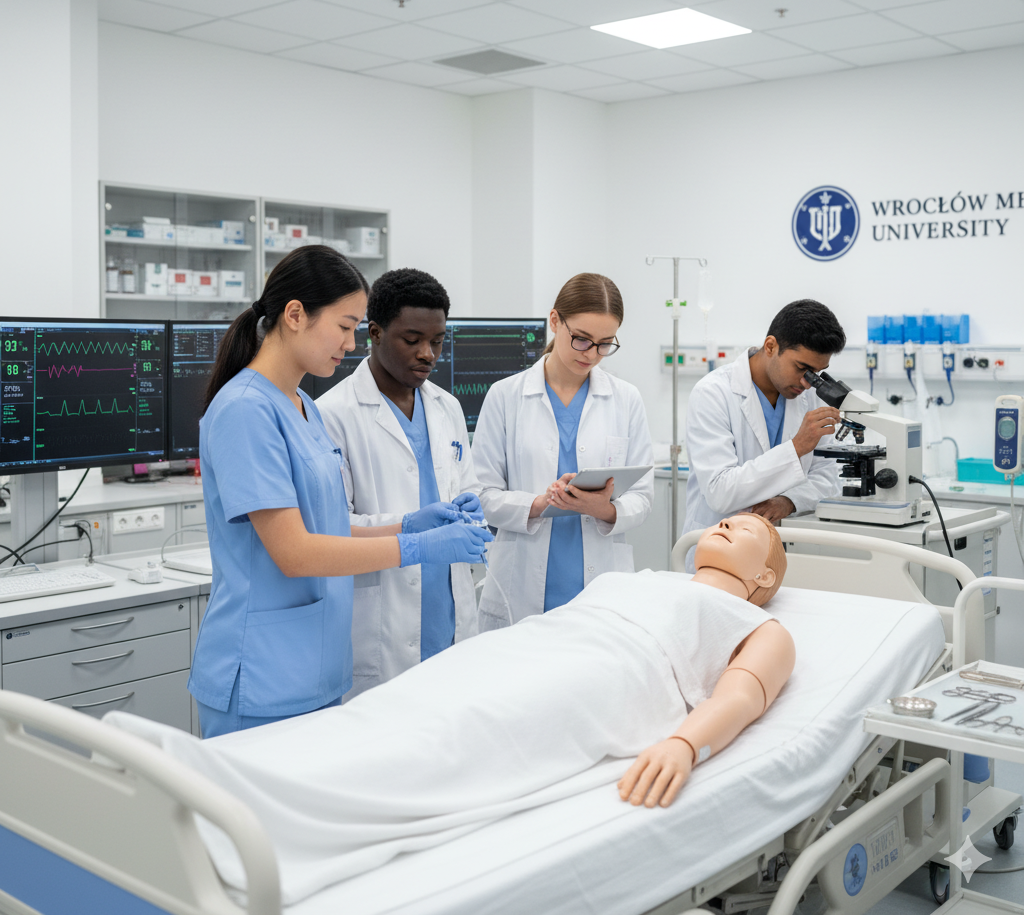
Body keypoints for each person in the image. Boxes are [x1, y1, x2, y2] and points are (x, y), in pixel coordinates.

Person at [114, 513, 793, 902]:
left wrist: (685, 743)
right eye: (730, 516)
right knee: (402, 708)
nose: (731, 520)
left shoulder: (758, 626)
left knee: (451, 736)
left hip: (607, 677)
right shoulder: (638, 576)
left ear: (764, 578)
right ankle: (218, 776)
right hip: (527, 648)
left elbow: (742, 694)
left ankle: (248, 813)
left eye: (754, 529)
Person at [189, 246, 491, 738]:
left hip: (320, 664)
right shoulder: (245, 410)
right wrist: (416, 547)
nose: (352, 344)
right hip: (262, 670)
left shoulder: (301, 405)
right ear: (294, 315)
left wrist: (410, 522)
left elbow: (328, 525)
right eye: (346, 326)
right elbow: (293, 551)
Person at [317, 268, 482, 696]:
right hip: (381, 625)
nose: (428, 353)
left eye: (438, 340)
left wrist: (471, 508)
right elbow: (332, 529)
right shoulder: (333, 414)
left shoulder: (446, 407)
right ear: (374, 332)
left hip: (450, 617)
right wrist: (413, 525)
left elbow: (464, 485)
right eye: (412, 340)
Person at [472, 273, 653, 631]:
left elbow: (643, 497)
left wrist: (605, 509)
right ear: (555, 321)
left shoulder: (626, 399)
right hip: (520, 584)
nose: (592, 355)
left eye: (605, 344)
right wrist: (540, 505)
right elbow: (481, 495)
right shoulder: (505, 396)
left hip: (602, 584)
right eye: (582, 340)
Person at [682, 299, 846, 567]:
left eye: (817, 373)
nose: (809, 382)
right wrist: (796, 448)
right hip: (720, 550)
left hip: (782, 550)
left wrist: (789, 501)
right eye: (802, 369)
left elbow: (828, 476)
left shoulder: (811, 397)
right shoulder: (712, 393)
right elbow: (720, 491)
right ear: (771, 346)